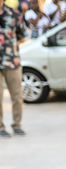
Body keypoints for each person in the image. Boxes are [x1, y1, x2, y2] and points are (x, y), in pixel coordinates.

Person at [0, 0, 26, 137]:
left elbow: (22, 36)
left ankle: (17, 124)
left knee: (16, 95)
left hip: (12, 61)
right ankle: (0, 127)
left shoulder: (14, 14)